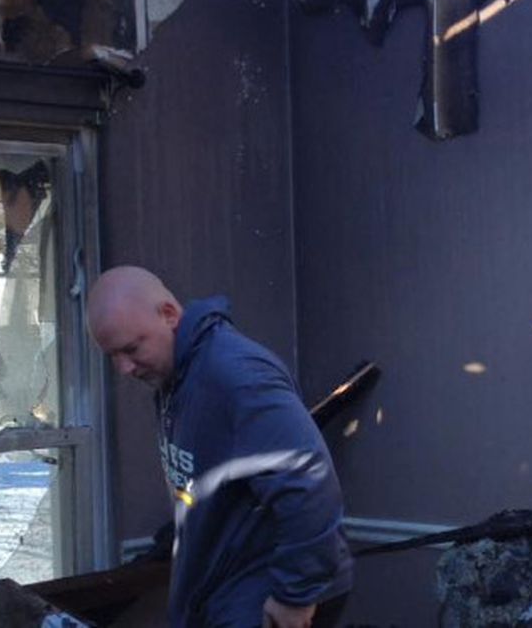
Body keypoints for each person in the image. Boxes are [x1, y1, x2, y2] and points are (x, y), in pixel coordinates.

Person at [87, 266, 353, 628]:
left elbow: (308, 483)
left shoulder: (234, 376)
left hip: (267, 597)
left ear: (169, 315)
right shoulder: (176, 377)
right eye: (112, 356)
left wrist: (295, 595)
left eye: (131, 349)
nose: (124, 368)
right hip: (225, 591)